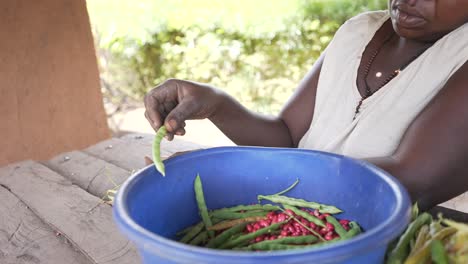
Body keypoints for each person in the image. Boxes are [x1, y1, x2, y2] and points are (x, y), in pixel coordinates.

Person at [143, 0, 468, 210]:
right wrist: (216, 105)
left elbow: (412, 180)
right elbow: (287, 137)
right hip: (304, 227)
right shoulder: (359, 31)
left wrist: (228, 173)